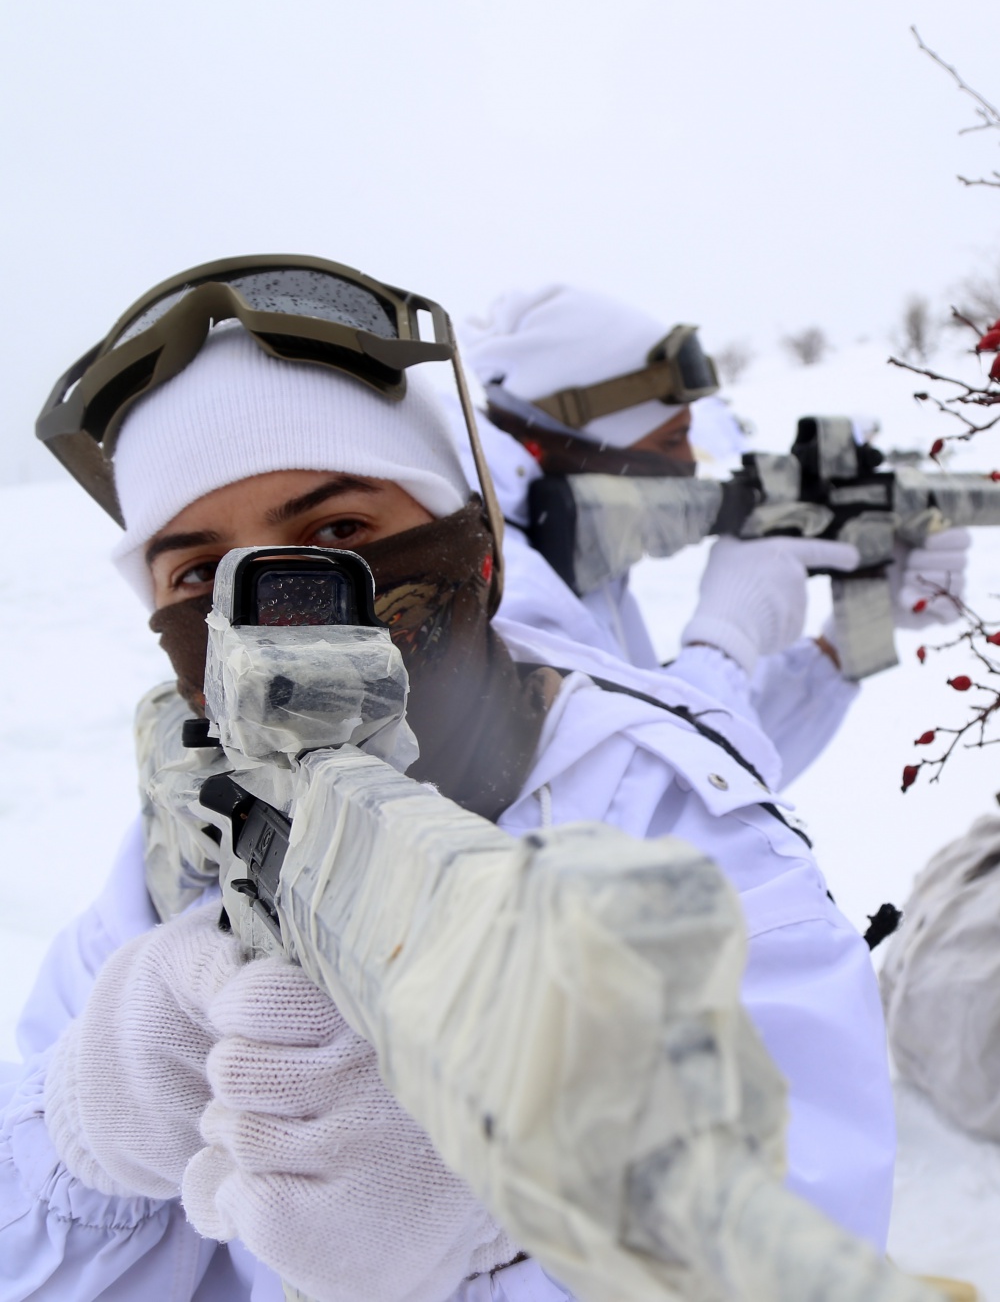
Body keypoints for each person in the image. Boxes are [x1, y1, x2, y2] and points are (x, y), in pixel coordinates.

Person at [1, 257, 893, 1302]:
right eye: (197, 574)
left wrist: (480, 1253)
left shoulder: (665, 833)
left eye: (339, 533)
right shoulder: (180, 854)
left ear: (473, 540)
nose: (273, 616)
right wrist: (87, 1137)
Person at [455, 284, 972, 787]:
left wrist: (840, 645)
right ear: (574, 440)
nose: (688, 464)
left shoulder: (559, 546)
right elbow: (664, 804)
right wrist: (724, 638)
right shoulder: (500, 587)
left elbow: (737, 781)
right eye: (672, 438)